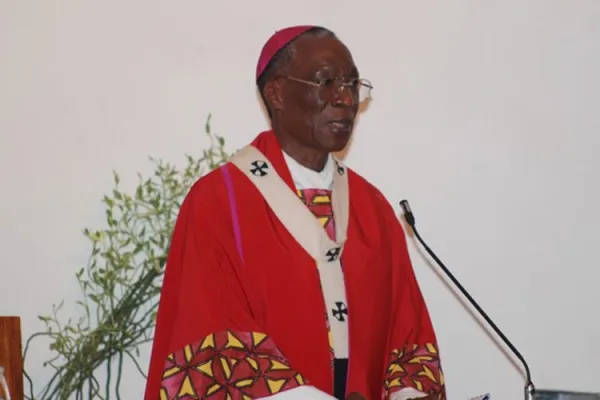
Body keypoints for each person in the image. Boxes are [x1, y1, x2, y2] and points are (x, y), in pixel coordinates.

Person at [144, 25, 446, 400]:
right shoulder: (219, 202)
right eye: (327, 83)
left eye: (353, 85)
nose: (346, 99)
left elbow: (408, 339)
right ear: (277, 93)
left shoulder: (374, 210)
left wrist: (407, 394)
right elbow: (212, 342)